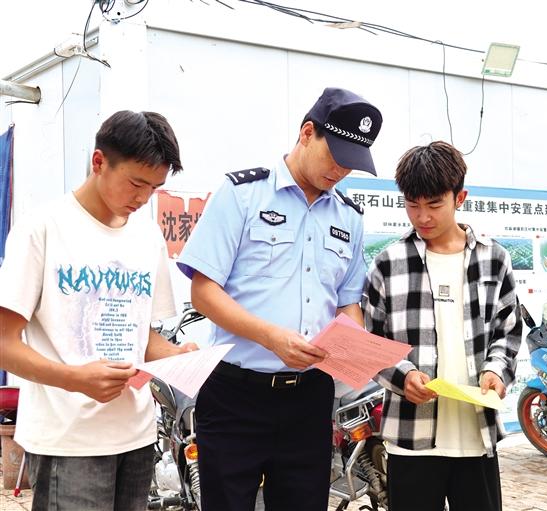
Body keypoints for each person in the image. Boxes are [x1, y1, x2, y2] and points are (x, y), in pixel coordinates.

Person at [176, 87, 383, 511]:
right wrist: (271, 337)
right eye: (336, 156)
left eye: (352, 163)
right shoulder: (242, 195)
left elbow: (348, 302)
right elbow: (203, 291)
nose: (341, 170)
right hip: (236, 394)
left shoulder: (349, 217)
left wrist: (349, 343)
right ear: (307, 133)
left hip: (309, 399)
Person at [0, 110, 197, 511]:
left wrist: (178, 357)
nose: (143, 198)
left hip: (136, 438)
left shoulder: (147, 236)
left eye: (155, 188)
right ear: (98, 161)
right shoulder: (42, 229)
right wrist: (74, 379)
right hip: (69, 440)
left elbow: (143, 337)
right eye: (136, 183)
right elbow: (4, 342)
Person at [362, 141, 522, 511]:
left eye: (434, 204)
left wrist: (495, 371)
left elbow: (508, 330)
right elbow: (370, 340)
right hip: (410, 440)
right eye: (412, 205)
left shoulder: (494, 258)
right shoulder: (388, 263)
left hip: (475, 436)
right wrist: (403, 376)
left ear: (459, 197)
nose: (422, 217)